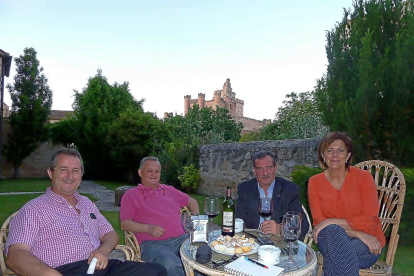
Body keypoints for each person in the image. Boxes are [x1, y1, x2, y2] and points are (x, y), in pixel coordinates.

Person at [5, 148, 167, 276]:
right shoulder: (33, 209)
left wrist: (103, 250)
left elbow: (110, 234)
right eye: (63, 169)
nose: (70, 176)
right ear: (50, 172)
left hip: (104, 267)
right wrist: (50, 274)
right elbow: (16, 255)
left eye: (75, 170)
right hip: (65, 271)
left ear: (81, 175)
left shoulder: (87, 203)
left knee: (156, 271)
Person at [308, 132, 385, 275]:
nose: (335, 155)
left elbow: (369, 220)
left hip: (368, 244)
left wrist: (330, 221)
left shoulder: (363, 178)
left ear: (348, 155)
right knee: (332, 233)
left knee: (336, 256)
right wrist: (357, 233)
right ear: (323, 155)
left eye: (341, 150)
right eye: (330, 150)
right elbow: (320, 222)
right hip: (335, 238)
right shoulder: (314, 182)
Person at [120, 156, 200, 276]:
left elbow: (192, 201)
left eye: (157, 171)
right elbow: (125, 224)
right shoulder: (131, 195)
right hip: (153, 244)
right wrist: (148, 228)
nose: (154, 174)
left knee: (204, 255)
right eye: (150, 171)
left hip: (181, 239)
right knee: (170, 264)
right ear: (140, 172)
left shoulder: (169, 190)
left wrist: (195, 221)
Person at [235, 151, 309, 237]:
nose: (265, 173)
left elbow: (303, 225)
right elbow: (239, 220)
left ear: (275, 168)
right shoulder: (244, 189)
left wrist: (281, 228)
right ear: (254, 171)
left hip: (280, 242)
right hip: (252, 241)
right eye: (260, 169)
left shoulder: (290, 190)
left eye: (269, 167)